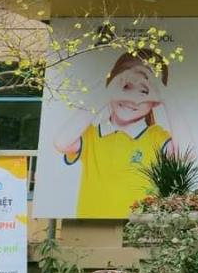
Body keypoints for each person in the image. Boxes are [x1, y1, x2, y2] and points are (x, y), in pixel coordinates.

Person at [54, 49, 181, 217]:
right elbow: (61, 143)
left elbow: (186, 156)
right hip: (92, 225)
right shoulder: (91, 135)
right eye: (126, 86)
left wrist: (167, 97)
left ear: (155, 101)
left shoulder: (156, 137)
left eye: (144, 91)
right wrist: (107, 92)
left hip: (140, 226)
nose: (132, 98)